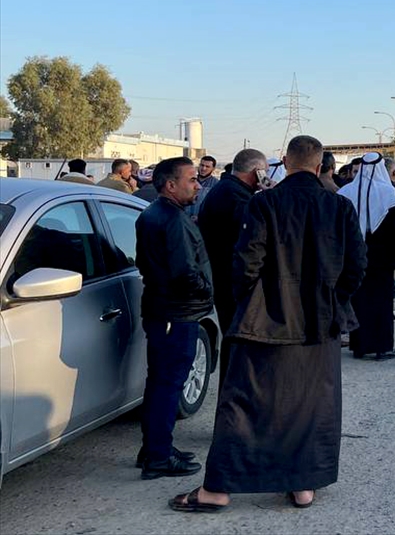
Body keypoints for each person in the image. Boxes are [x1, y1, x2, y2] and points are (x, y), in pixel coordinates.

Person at [172, 136, 366, 513]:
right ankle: (302, 485)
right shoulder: (339, 207)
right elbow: (356, 266)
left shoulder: (264, 203)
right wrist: (331, 300)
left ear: (287, 164)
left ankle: (220, 489)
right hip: (318, 323)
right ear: (317, 165)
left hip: (266, 320)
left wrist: (254, 300)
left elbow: (246, 263)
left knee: (244, 402)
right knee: (311, 404)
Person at [135, 157, 213, 479]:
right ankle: (158, 458)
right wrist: (207, 291)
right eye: (192, 180)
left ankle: (155, 447)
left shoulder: (152, 214)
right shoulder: (172, 220)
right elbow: (185, 273)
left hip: (163, 310)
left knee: (159, 384)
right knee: (168, 386)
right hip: (176, 314)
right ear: (170, 184)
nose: (197, 185)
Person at [196, 148, 267, 384]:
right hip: (230, 282)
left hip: (225, 278)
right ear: (257, 171)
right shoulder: (234, 195)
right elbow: (250, 236)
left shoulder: (230, 190)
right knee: (238, 347)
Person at [339, 152, 395, 360]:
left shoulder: (345, 192)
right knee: (382, 302)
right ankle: (381, 346)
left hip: (354, 255)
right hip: (382, 258)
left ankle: (359, 345)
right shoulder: (389, 193)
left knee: (359, 301)